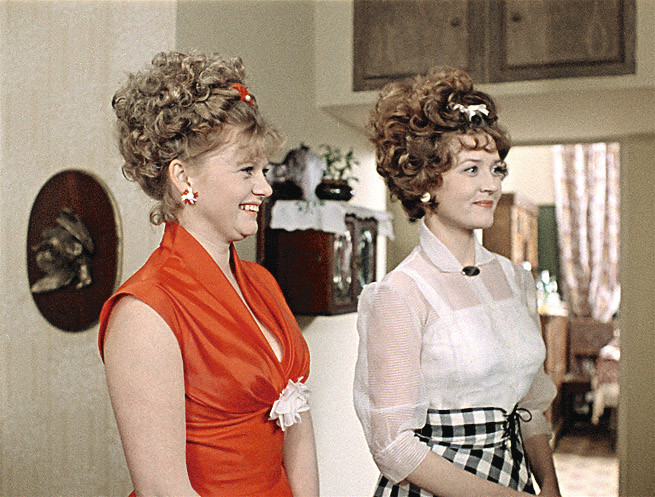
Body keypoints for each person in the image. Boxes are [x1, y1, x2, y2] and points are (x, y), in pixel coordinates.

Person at [99, 51, 319, 497]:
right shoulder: (146, 312)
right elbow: (163, 489)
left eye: (264, 170)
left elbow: (297, 429)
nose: (265, 187)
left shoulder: (262, 283)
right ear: (183, 179)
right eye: (247, 170)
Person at [353, 67, 561, 497]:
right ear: (425, 182)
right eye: (471, 170)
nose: (491, 185)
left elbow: (529, 407)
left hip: (513, 477)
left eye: (496, 169)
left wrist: (550, 486)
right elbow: (392, 446)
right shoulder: (399, 294)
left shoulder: (515, 280)